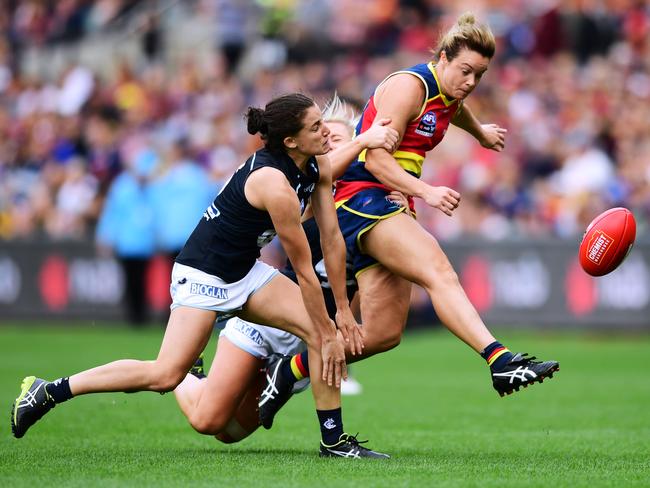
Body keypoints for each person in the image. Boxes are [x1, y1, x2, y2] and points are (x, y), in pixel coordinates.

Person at [9, 93, 386, 459]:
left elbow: (333, 239)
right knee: (164, 376)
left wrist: (339, 312)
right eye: (317, 126)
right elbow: (303, 268)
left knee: (324, 335)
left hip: (246, 273)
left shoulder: (316, 165)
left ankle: (334, 442)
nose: (328, 133)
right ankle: (49, 391)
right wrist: (330, 324)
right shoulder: (273, 183)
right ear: (290, 141)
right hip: (203, 276)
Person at [259, 12, 560, 429]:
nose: (471, 82)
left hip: (385, 200)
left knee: (383, 333)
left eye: (480, 75)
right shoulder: (408, 86)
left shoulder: (447, 92)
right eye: (466, 71)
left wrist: (480, 133)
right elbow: (375, 159)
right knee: (439, 271)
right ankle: (499, 359)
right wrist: (428, 192)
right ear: (441, 58)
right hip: (360, 197)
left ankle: (288, 370)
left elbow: (453, 109)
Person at [172, 94, 401, 444]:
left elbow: (366, 293)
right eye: (328, 136)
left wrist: (404, 202)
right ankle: (186, 371)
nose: (328, 140)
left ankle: (322, 424)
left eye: (337, 138)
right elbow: (327, 176)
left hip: (309, 334)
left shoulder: (372, 211)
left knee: (231, 434)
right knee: (210, 421)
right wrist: (359, 141)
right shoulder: (305, 193)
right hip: (270, 321)